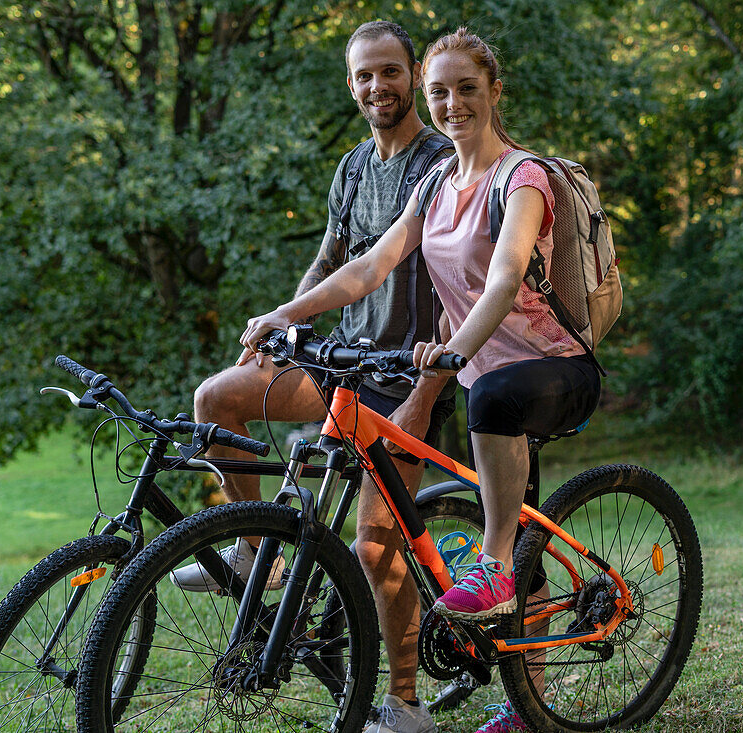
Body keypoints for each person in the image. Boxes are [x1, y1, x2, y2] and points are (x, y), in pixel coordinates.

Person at [241, 28, 602, 733]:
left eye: (467, 88)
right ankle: (525, 696)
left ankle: (492, 566)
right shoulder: (437, 180)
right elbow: (368, 266)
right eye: (440, 91)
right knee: (509, 482)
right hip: (487, 380)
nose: (451, 102)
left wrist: (454, 351)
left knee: (495, 408)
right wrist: (285, 311)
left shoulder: (521, 177)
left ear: (494, 91)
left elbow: (503, 277)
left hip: (554, 370)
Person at [173, 20, 456, 733]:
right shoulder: (354, 167)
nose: (376, 87)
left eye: (389, 72)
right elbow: (330, 262)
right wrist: (284, 332)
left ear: (412, 73)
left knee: (372, 547)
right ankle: (252, 556)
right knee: (217, 398)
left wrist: (428, 393)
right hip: (342, 362)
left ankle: (404, 701)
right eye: (364, 75)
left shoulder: (441, 164)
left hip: (405, 377)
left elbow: (462, 290)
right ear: (351, 83)